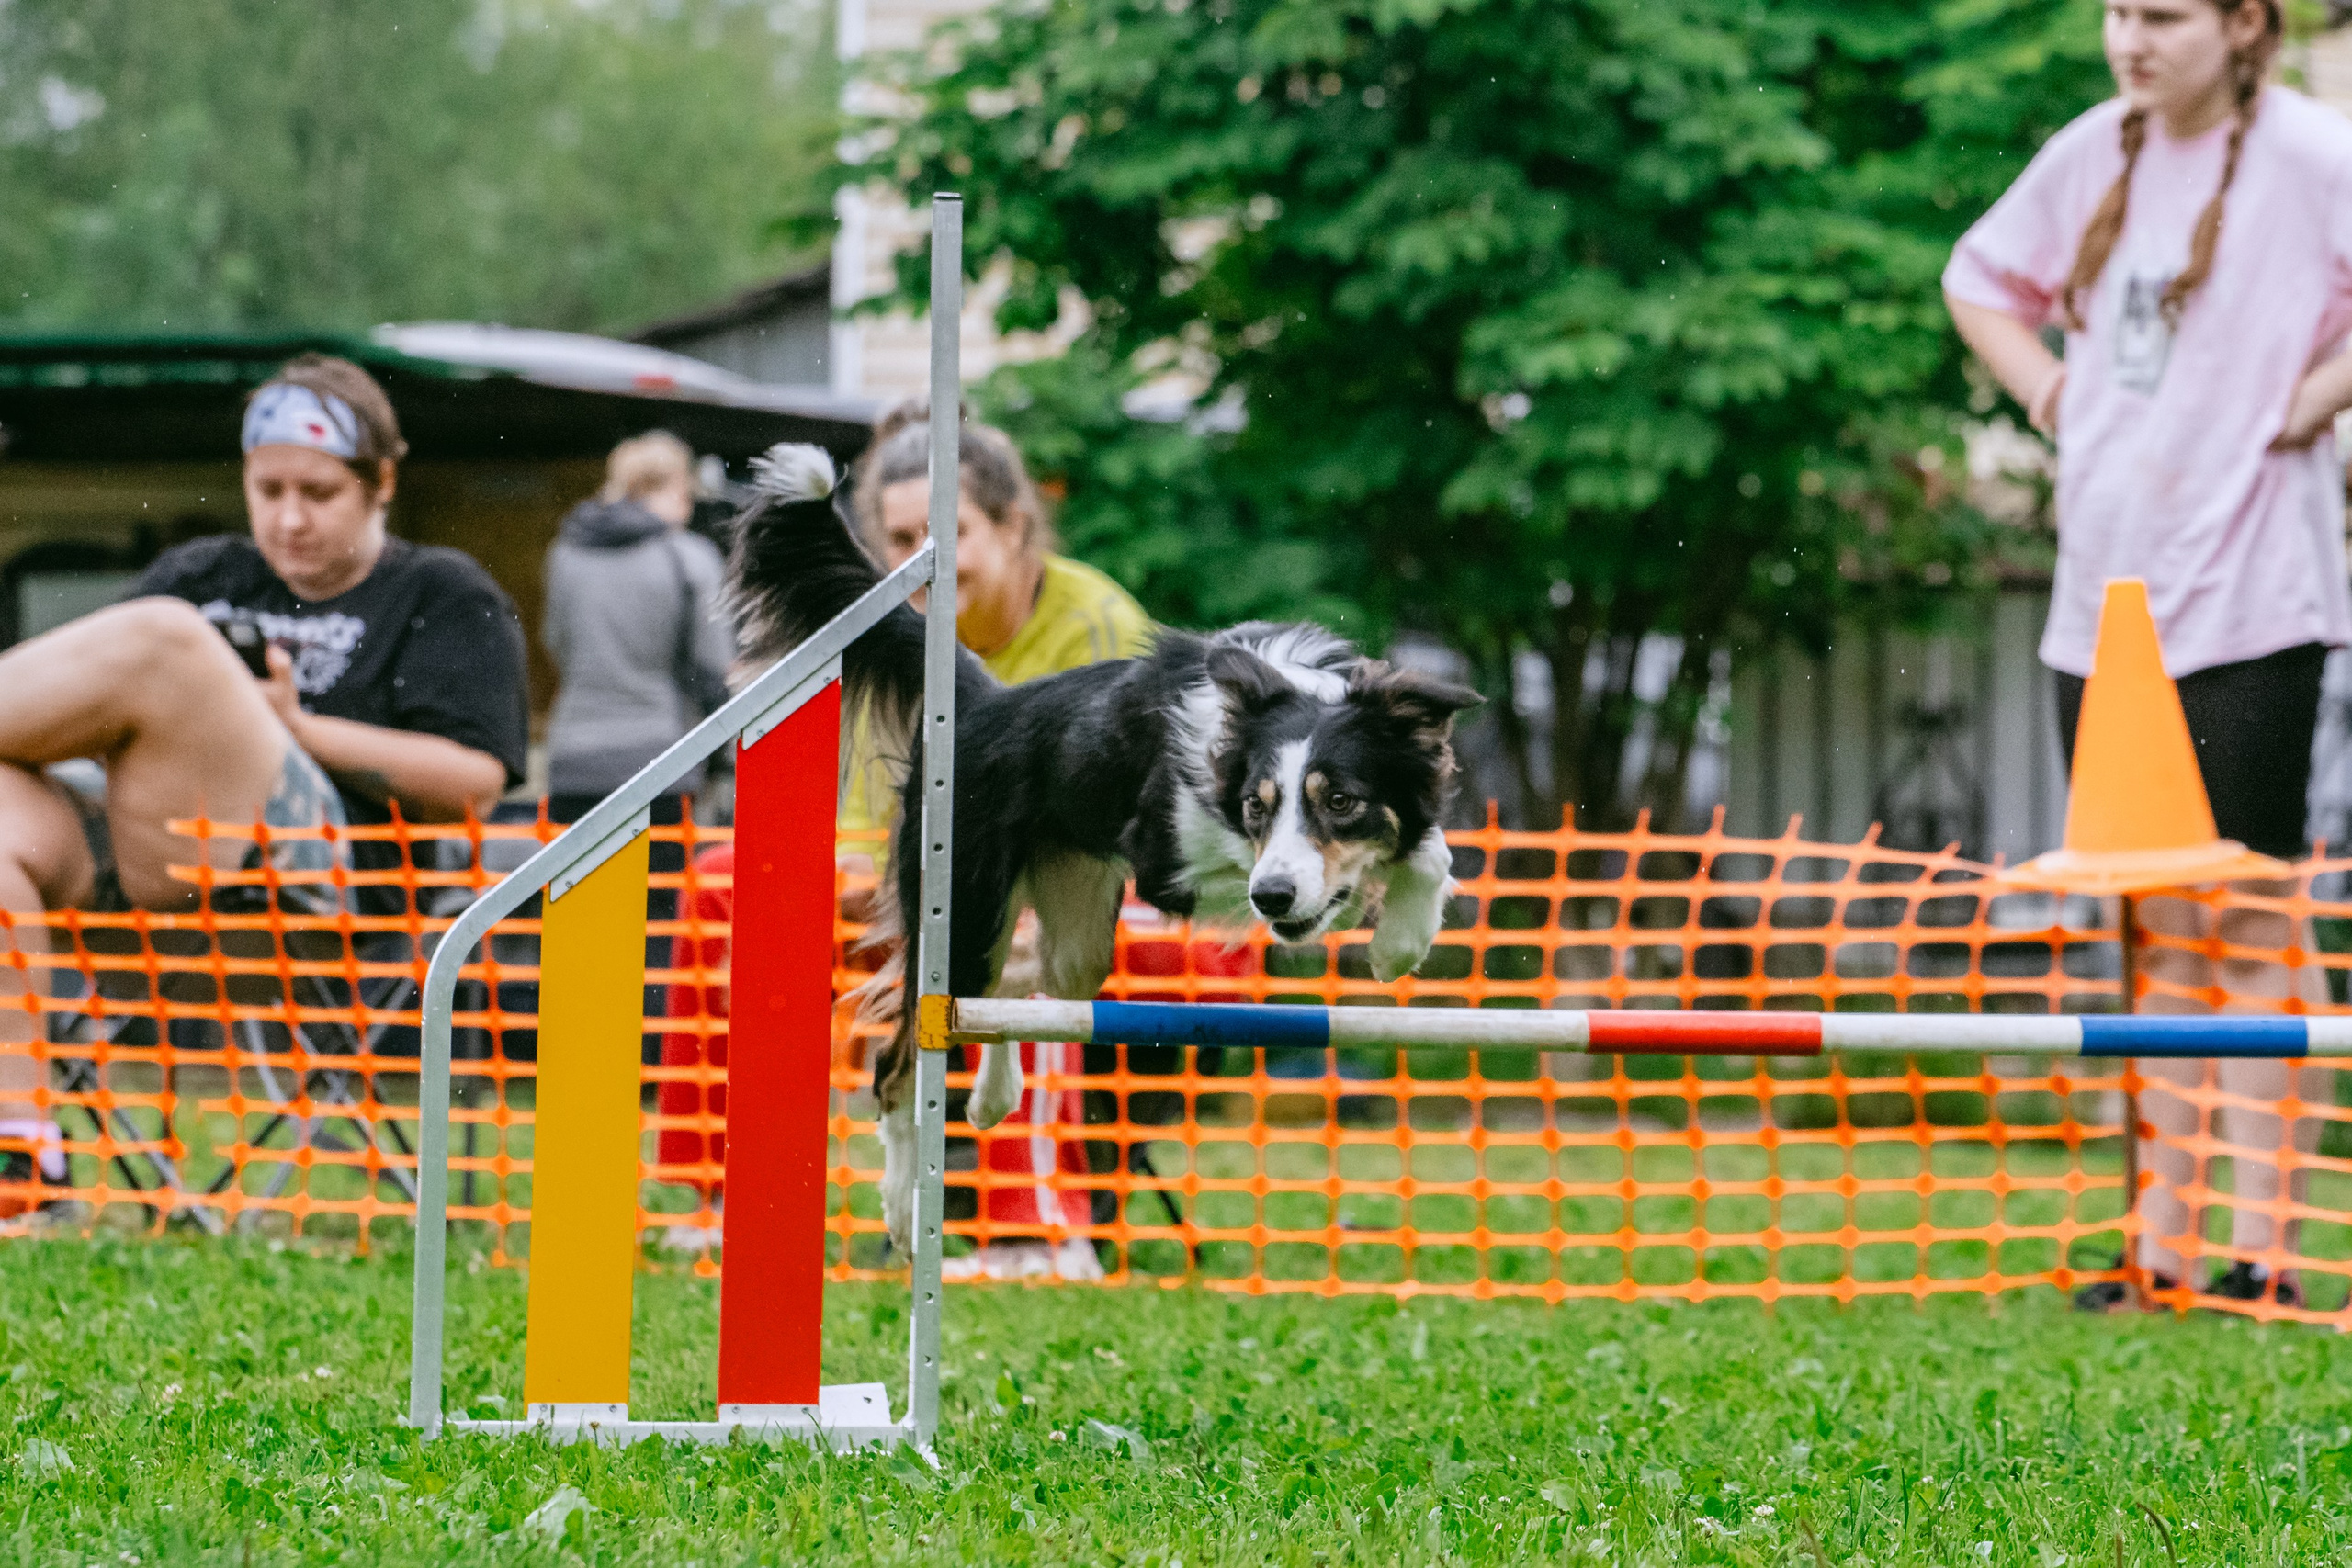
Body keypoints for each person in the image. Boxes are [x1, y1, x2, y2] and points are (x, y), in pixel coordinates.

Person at [1944, 0, 2352, 1309]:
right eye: (2119, 12)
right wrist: (2054, 393)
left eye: (2165, 15)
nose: (2133, 38)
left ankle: (2271, 1246)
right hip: (2104, 608)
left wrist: (2312, 399)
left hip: (2251, 598)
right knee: (2149, 922)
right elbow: (1977, 276)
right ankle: (2162, 1246)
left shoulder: (2310, 151)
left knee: (2248, 916)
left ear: (2244, 24)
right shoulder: (2089, 149)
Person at [0, 354, 529, 1217]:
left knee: (172, 641)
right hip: (139, 911)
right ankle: (21, 1151)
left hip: (324, 916)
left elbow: (473, 781)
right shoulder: (207, 571)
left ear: (380, 482)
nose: (288, 519)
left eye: (317, 493)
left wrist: (296, 725)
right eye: (267, 489)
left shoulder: (440, 592)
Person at [653, 403, 1154, 1275]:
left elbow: (1121, 826)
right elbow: (853, 817)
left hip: (1099, 885)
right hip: (918, 879)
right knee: (725, 879)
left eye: (948, 531)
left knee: (1022, 926)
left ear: (1015, 530)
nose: (924, 561)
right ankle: (728, 1194)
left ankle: (1032, 1228)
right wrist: (848, 878)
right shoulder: (878, 634)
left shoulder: (1097, 626)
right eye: (898, 537)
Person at [542, 431, 733, 821]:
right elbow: (714, 667)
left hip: (572, 759)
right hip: (659, 760)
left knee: (580, 883)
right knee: (656, 883)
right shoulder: (688, 557)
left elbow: (555, 642)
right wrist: (724, 763)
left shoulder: (566, 552)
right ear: (678, 487)